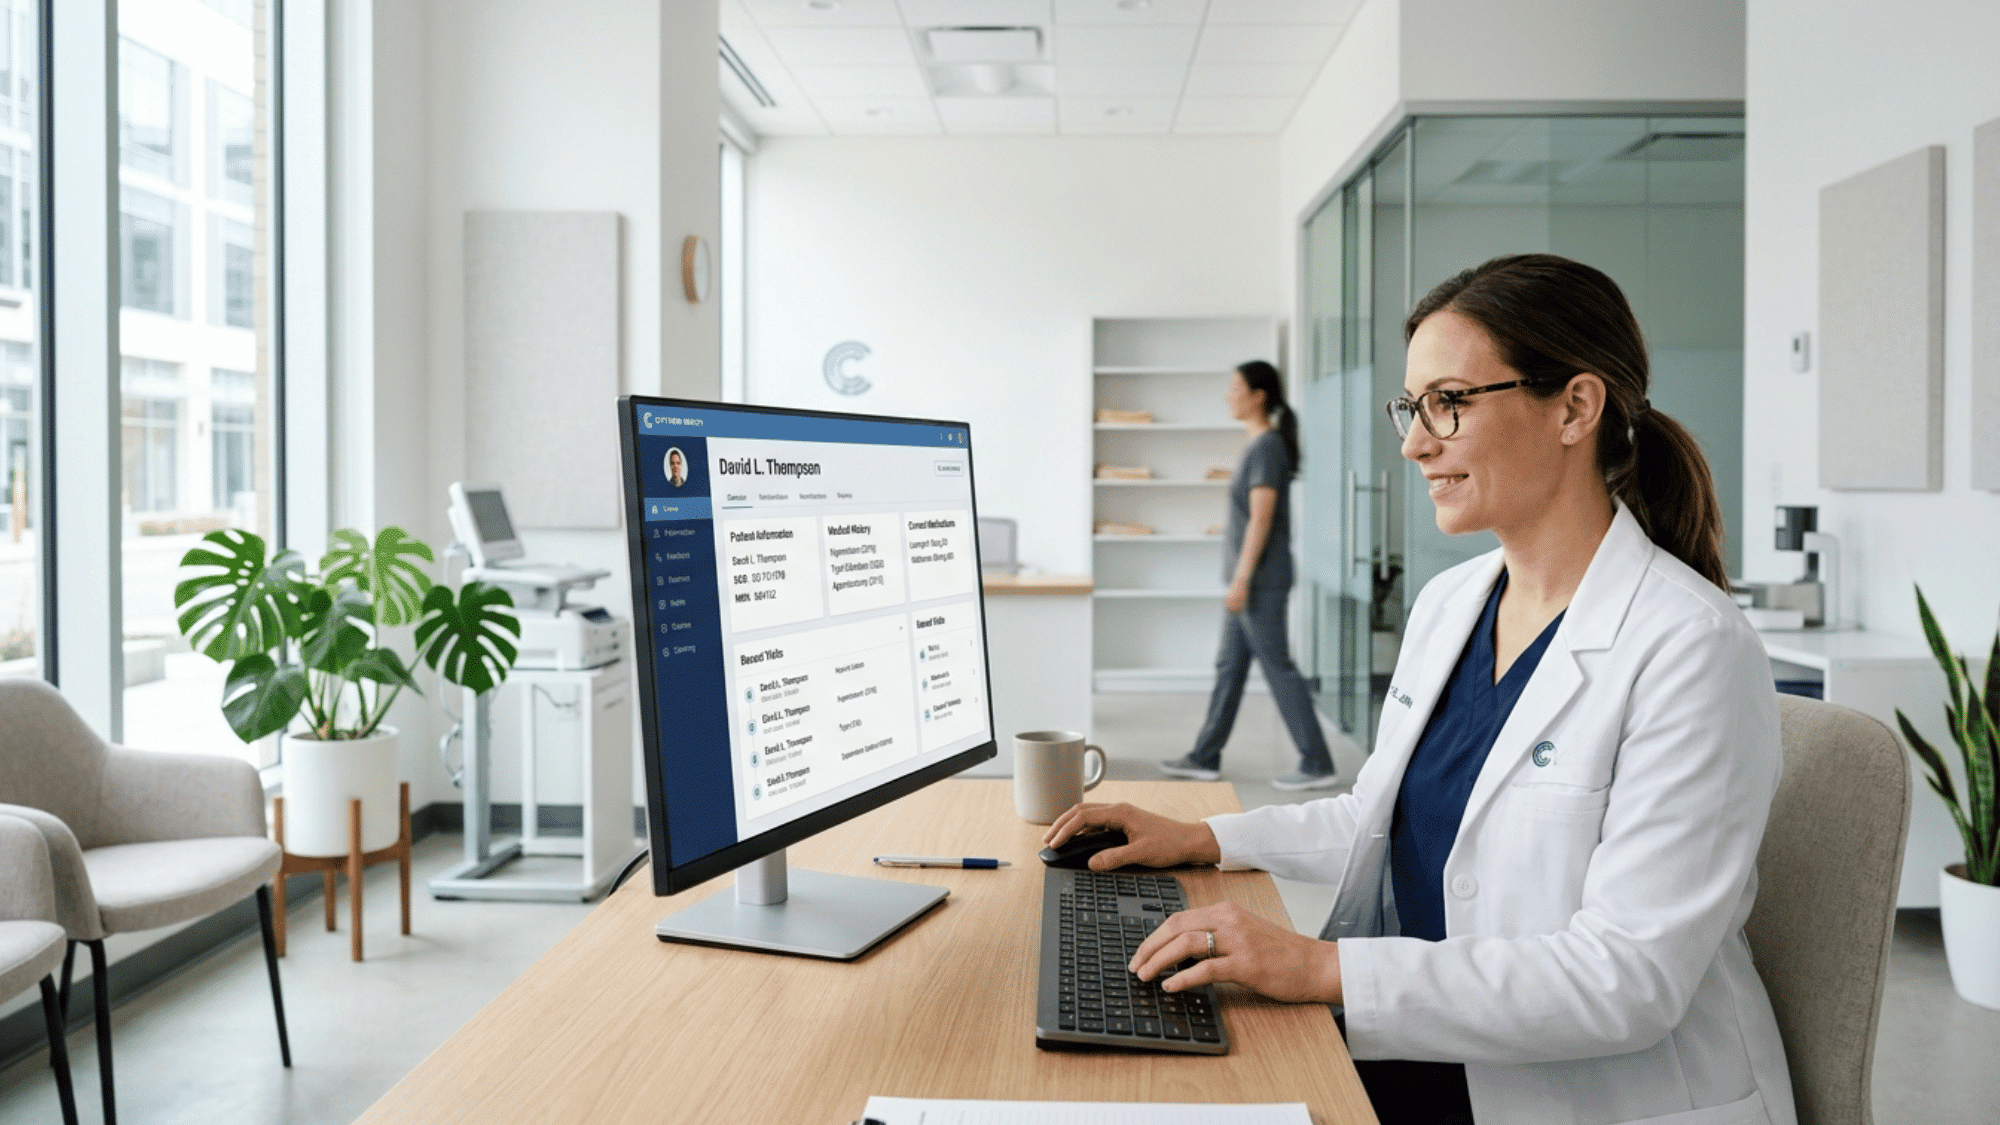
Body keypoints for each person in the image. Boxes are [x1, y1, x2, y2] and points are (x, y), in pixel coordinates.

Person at [1055, 255, 1794, 1125]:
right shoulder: (1452, 602)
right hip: (1427, 1045)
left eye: (1449, 401)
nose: (1413, 443)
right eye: (1412, 407)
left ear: (1576, 407)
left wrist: (1317, 968)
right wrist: (1200, 835)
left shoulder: (1691, 646)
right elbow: (1377, 815)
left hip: (1588, 1094)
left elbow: (1625, 979)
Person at [1159, 360, 1339, 791]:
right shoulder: (1259, 446)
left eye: (1235, 387)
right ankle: (1204, 756)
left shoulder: (1267, 448)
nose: (1228, 395)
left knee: (1278, 668)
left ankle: (1317, 762)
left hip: (1259, 580)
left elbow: (1261, 520)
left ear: (1258, 395)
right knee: (1229, 666)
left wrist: (1241, 579)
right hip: (1250, 579)